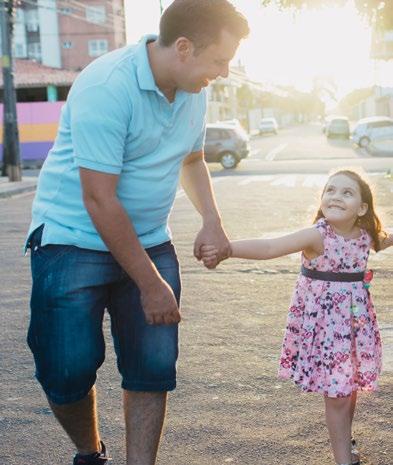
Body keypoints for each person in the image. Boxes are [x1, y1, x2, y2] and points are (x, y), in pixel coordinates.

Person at [25, 1, 249, 464]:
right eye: (220, 60)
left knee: (152, 369)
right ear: (183, 48)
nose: (225, 72)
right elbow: (99, 199)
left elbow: (191, 158)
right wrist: (151, 284)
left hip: (149, 236)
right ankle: (90, 452)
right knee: (65, 371)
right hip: (71, 240)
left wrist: (212, 218)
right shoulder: (108, 86)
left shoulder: (194, 87)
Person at [201, 169, 393, 465]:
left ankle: (346, 443)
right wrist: (227, 250)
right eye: (330, 190)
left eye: (346, 192)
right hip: (326, 330)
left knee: (349, 389)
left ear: (362, 208)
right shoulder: (317, 235)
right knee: (339, 396)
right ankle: (345, 460)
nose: (336, 196)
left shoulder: (365, 236)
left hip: (355, 328)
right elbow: (269, 247)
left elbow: (385, 239)